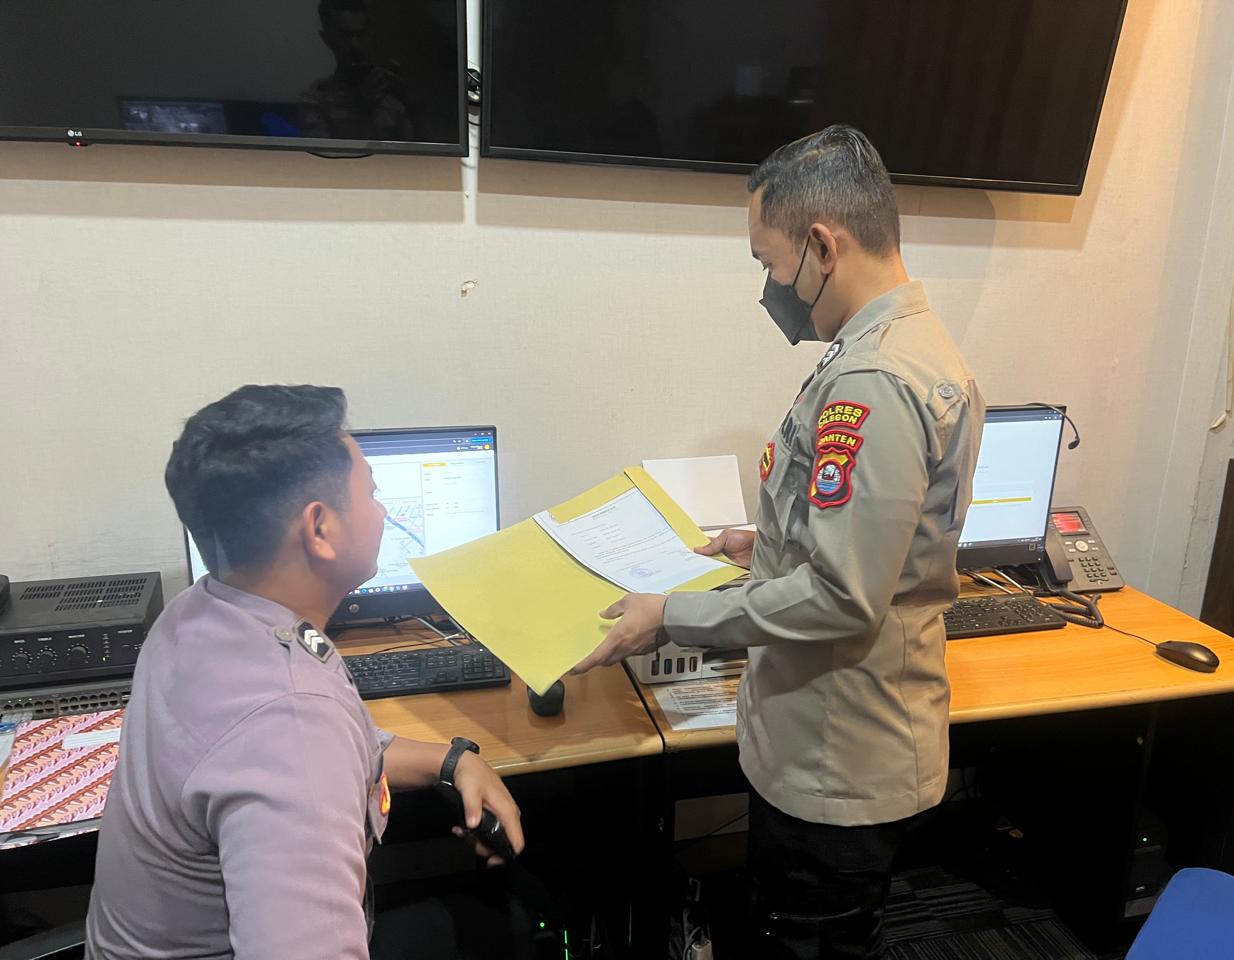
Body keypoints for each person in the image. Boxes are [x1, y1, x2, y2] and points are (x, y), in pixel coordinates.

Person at [573, 125, 984, 958]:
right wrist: (763, 540)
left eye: (770, 261)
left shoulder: (873, 379)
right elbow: (875, 529)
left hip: (835, 757)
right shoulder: (906, 347)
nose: (771, 286)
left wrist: (671, 615)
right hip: (840, 737)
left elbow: (841, 594)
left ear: (823, 247)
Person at [86, 384, 527, 960]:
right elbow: (294, 745)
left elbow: (332, 746)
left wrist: (452, 760)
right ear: (320, 528)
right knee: (505, 926)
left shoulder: (198, 615)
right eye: (371, 492)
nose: (383, 511)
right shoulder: (292, 729)